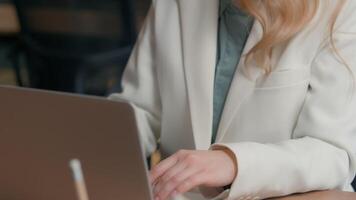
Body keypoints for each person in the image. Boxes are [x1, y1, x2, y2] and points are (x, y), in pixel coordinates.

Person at [109, 0, 356, 199]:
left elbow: (333, 154)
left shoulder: (340, 8)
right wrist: (93, 148)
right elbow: (141, 109)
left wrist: (233, 162)